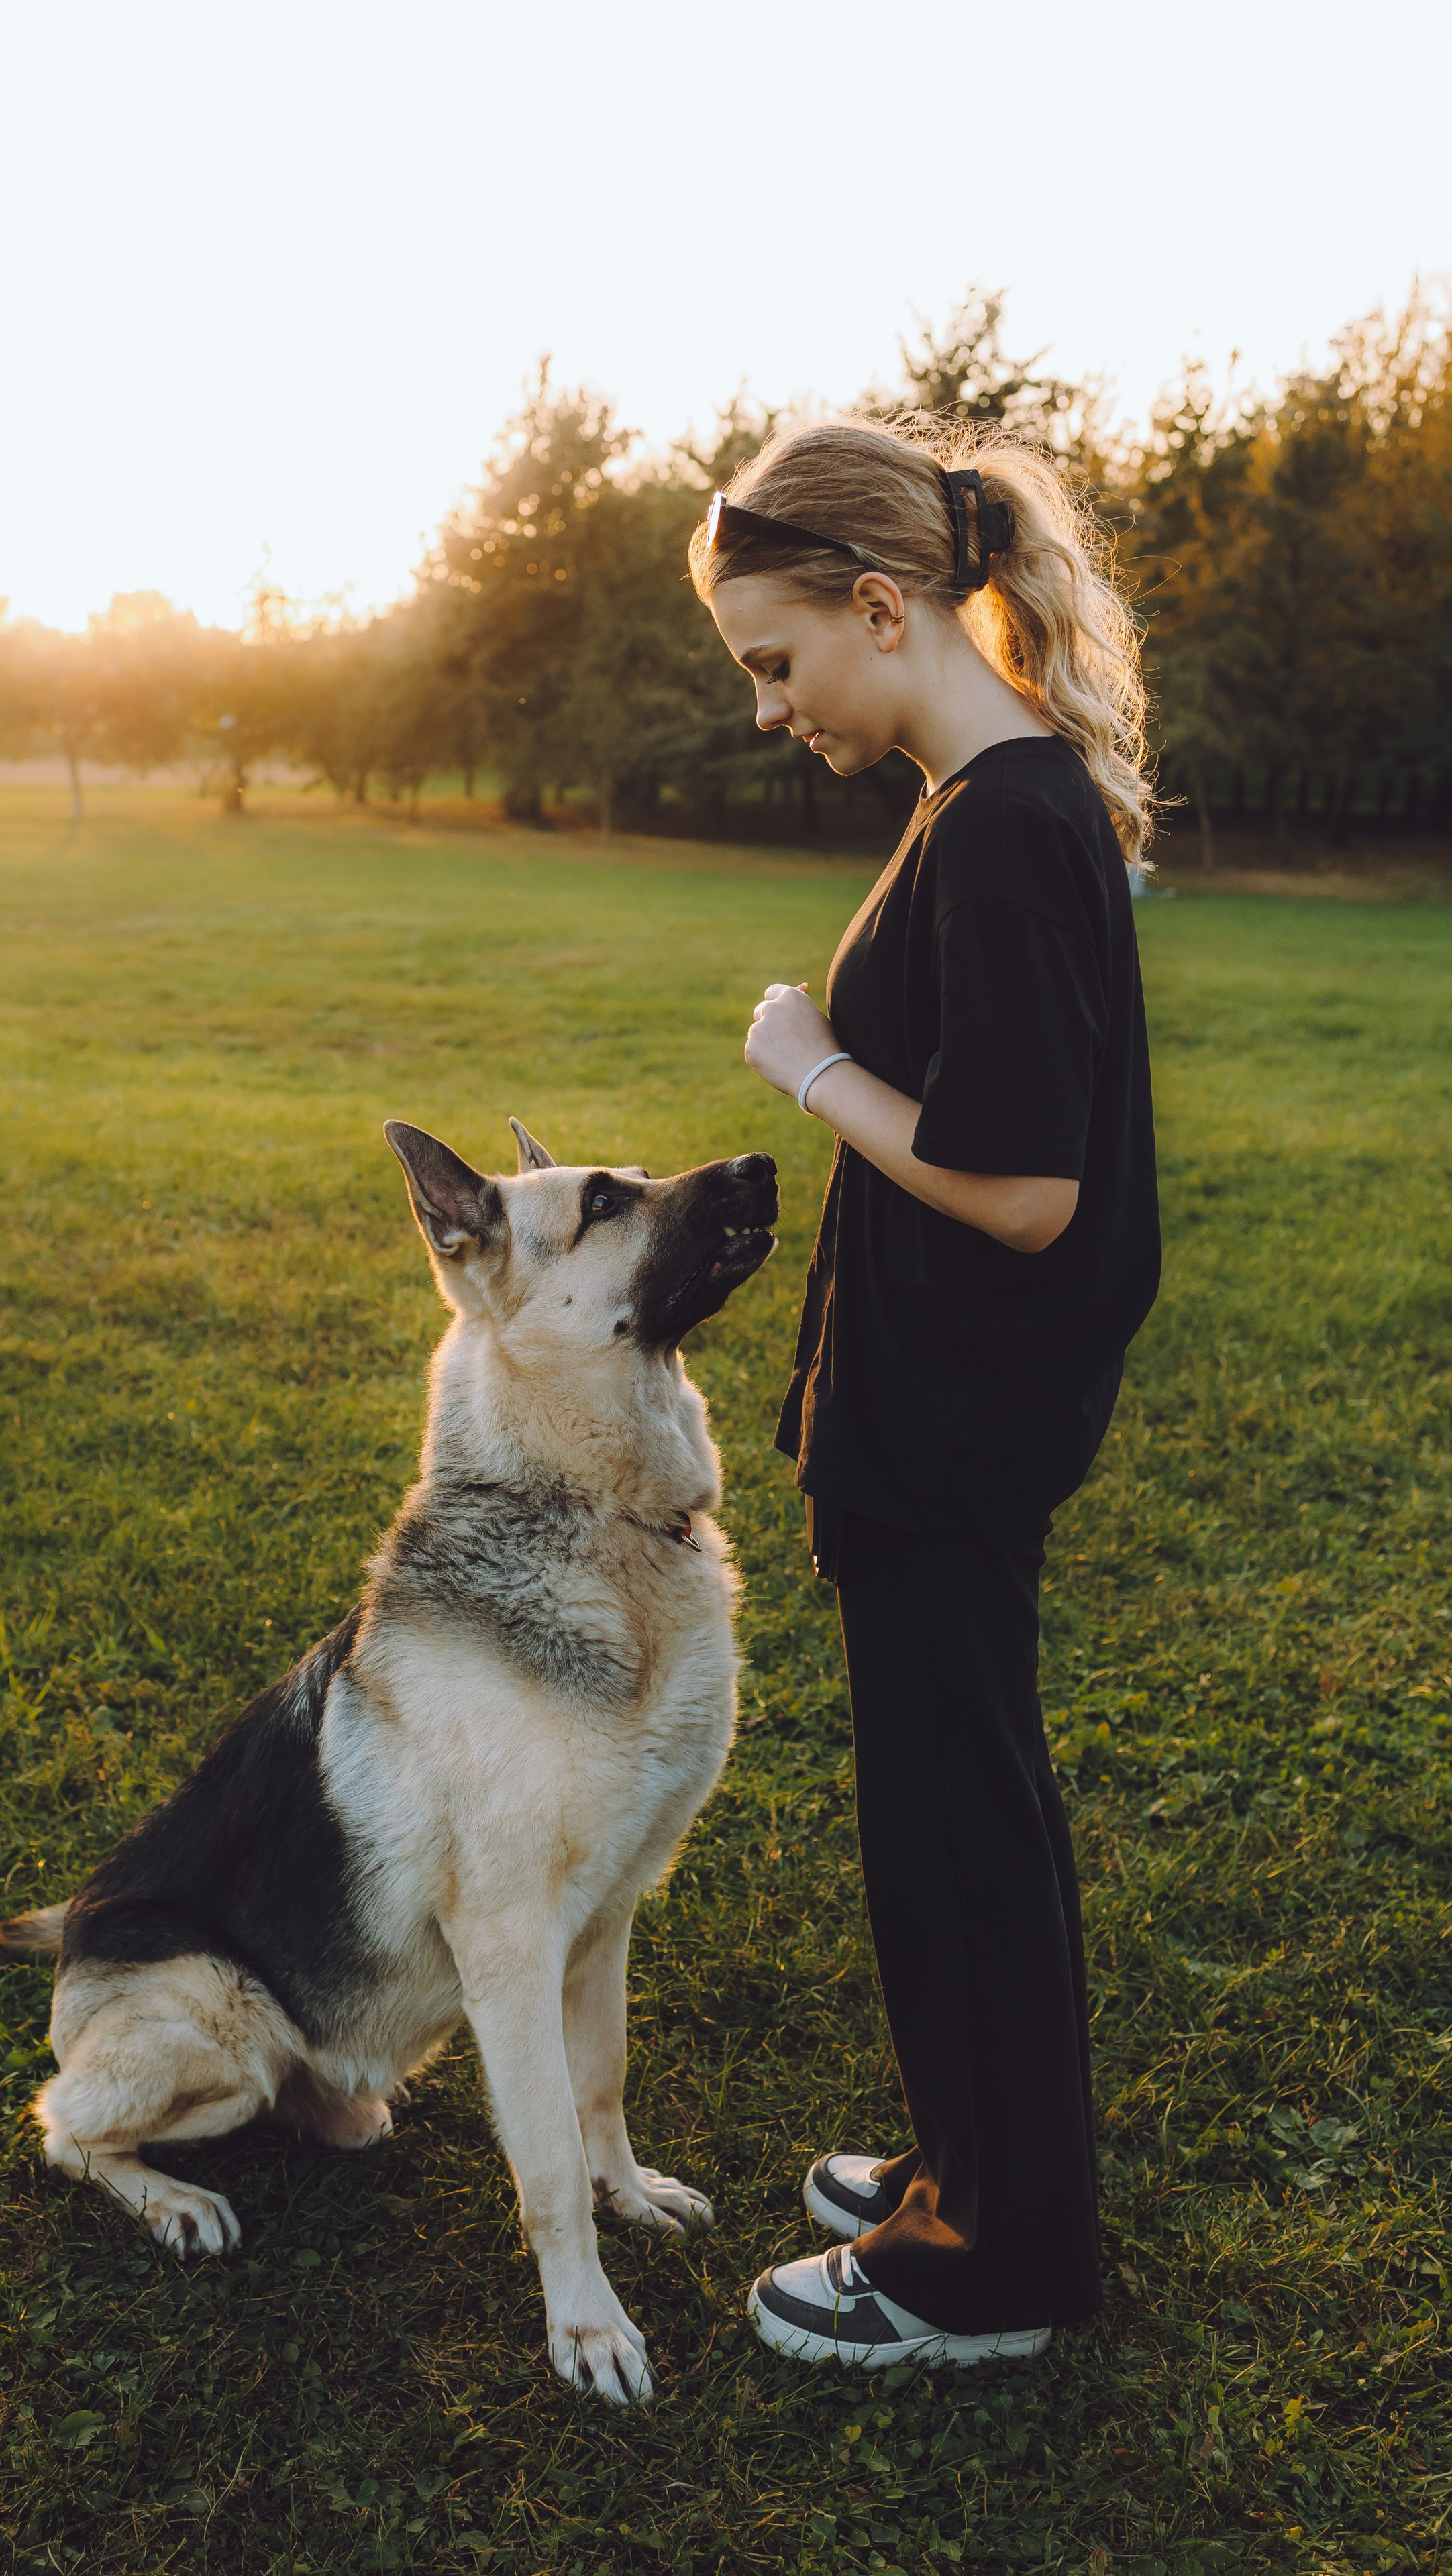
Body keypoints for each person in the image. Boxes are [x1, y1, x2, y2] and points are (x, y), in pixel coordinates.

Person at [689, 418, 1161, 2370]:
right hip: (933, 1413)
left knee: (961, 1818)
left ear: (881, 606)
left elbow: (1027, 1184)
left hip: (959, 1424)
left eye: (775, 662)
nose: (772, 706)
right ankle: (967, 2163)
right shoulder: (984, 806)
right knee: (943, 1808)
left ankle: (998, 2263)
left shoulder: (1010, 824)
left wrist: (804, 1063)